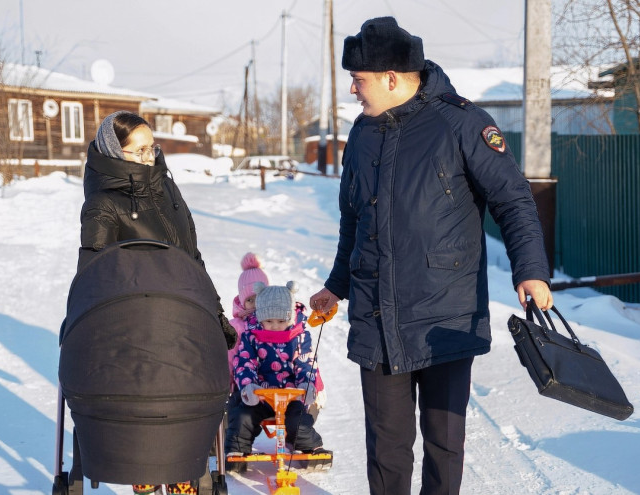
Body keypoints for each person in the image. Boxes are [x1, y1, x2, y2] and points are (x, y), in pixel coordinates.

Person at [308, 17, 553, 495]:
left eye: (358, 80)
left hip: (444, 316)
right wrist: (336, 286)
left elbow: (513, 198)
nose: (354, 91)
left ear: (391, 78)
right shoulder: (361, 135)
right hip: (377, 316)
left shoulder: (462, 123)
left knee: (444, 446)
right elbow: (353, 221)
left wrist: (531, 271)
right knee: (386, 448)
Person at [80, 111, 237, 495]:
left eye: (153, 147)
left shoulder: (165, 187)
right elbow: (93, 275)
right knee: (150, 405)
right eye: (140, 150)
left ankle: (186, 472)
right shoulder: (103, 204)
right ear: (115, 152)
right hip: (136, 323)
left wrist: (215, 312)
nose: (150, 157)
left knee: (191, 395)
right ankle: (147, 474)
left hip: (183, 313)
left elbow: (192, 258)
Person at [225, 281, 330, 469]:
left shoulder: (299, 336)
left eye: (281, 321)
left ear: (289, 318)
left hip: (291, 397)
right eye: (269, 321)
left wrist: (306, 384)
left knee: (298, 423)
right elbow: (244, 362)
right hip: (262, 396)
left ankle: (309, 449)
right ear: (260, 318)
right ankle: (237, 451)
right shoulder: (252, 336)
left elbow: (305, 363)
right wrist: (249, 386)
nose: (274, 326)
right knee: (242, 416)